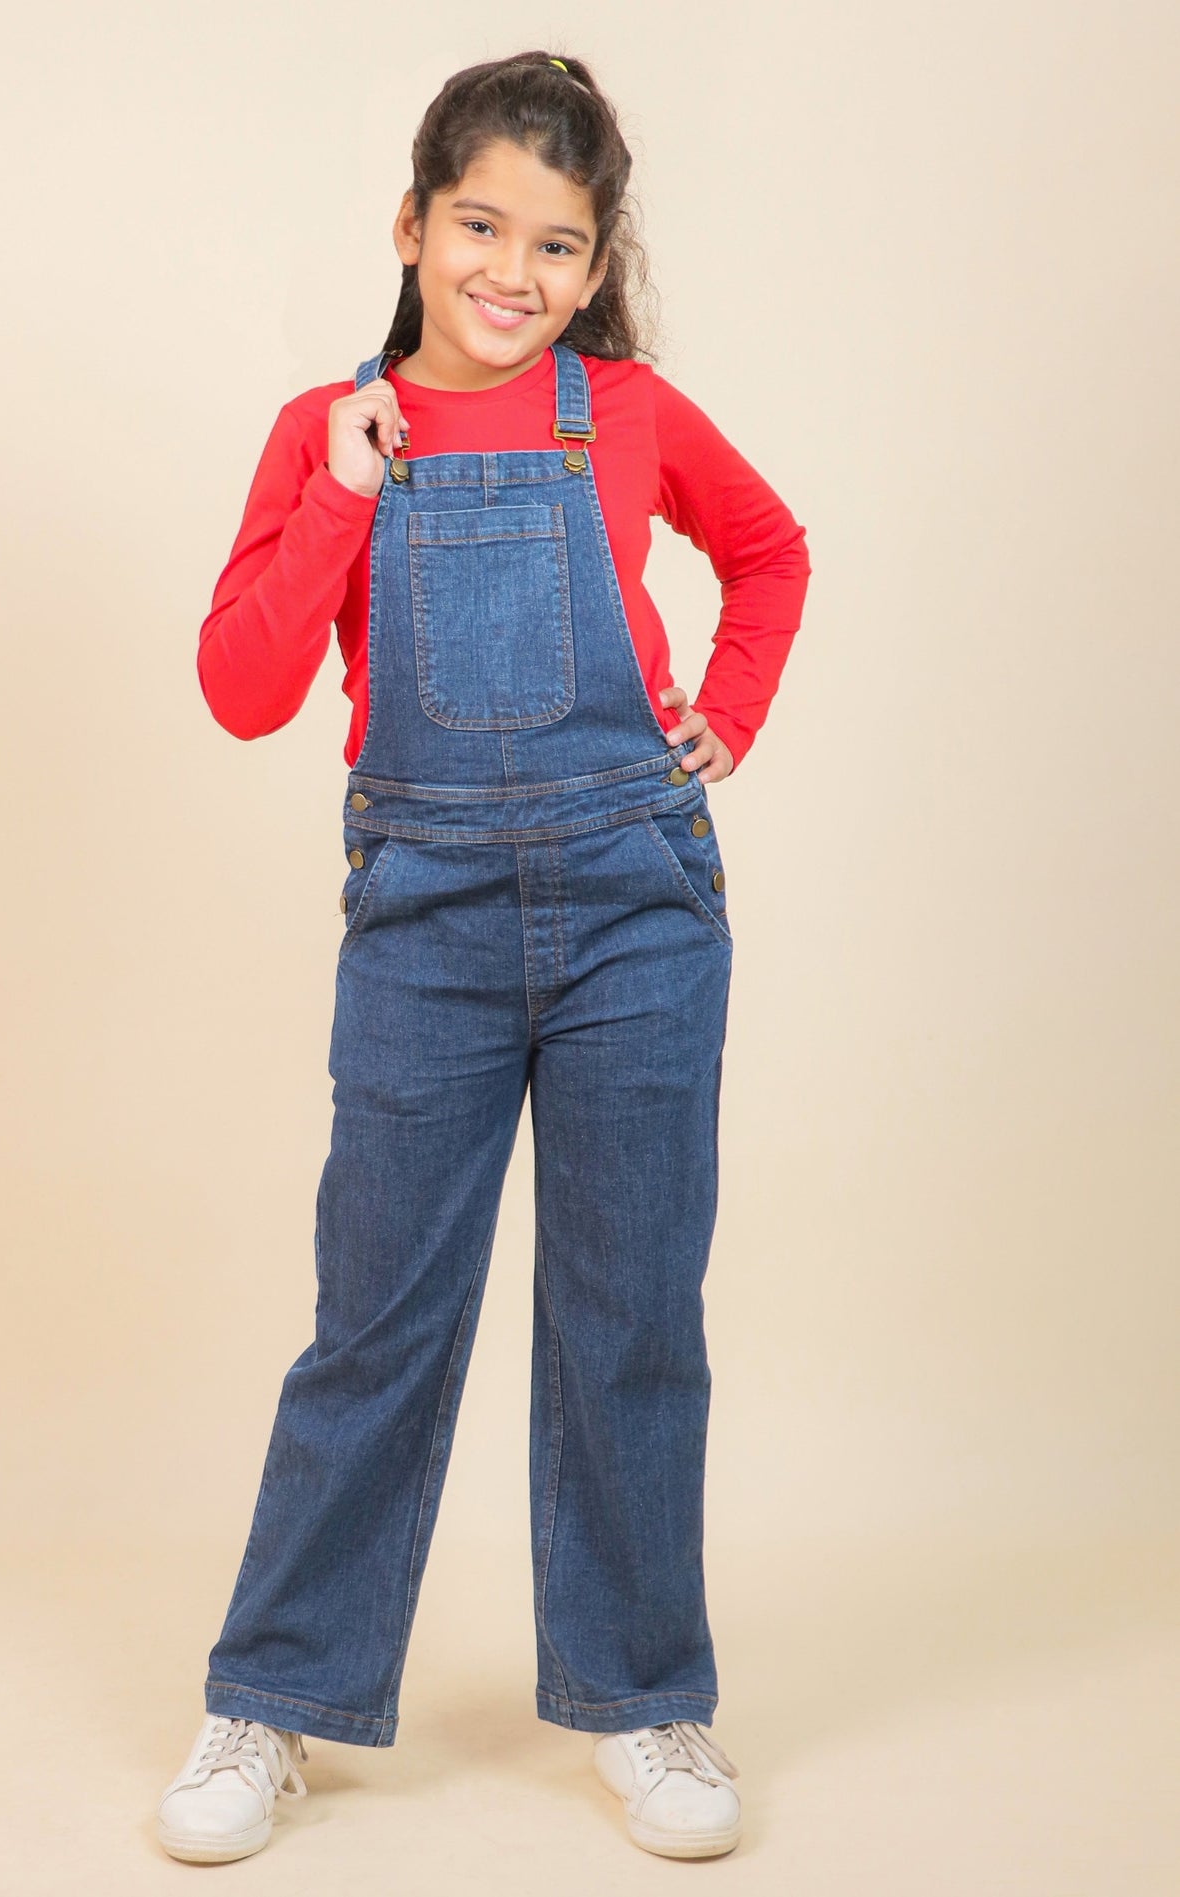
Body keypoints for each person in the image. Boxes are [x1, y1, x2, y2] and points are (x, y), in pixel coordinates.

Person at [157, 48, 811, 1865]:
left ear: (594, 268)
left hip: (634, 911)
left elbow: (768, 558)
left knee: (626, 1318)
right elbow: (240, 687)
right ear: (412, 225)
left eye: (554, 242)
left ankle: (647, 1698)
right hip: (424, 927)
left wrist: (726, 721)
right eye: (477, 227)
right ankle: (273, 1698)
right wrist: (346, 489)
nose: (509, 273)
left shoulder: (634, 417)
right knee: (372, 1320)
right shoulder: (325, 427)